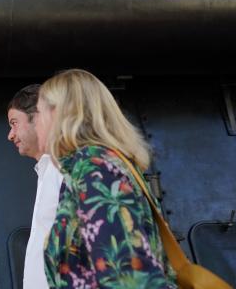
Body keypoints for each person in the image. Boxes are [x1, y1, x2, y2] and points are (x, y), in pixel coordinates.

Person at [34, 69, 176, 288]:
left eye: (38, 113)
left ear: (58, 114)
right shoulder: (96, 166)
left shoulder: (95, 170)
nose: (36, 124)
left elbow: (129, 277)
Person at [6, 84, 64, 288]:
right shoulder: (46, 171)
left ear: (39, 117)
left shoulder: (65, 170)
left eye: (14, 123)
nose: (10, 135)